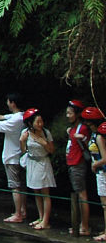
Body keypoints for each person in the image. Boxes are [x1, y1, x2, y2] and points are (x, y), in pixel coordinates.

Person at [0, 92, 28, 223]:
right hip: (20, 156)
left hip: (12, 156)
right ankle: (22, 210)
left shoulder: (16, 120)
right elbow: (0, 117)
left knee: (15, 186)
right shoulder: (21, 116)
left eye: (8, 101)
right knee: (21, 186)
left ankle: (18, 214)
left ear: (13, 103)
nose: (7, 103)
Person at [20, 107, 55, 230]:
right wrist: (22, 141)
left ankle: (46, 221)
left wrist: (43, 142)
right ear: (30, 123)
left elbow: (51, 150)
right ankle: (40, 217)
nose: (40, 124)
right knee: (36, 191)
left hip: (43, 162)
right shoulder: (25, 133)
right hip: (32, 162)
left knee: (45, 193)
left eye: (41, 121)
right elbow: (24, 150)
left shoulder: (46, 132)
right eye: (37, 122)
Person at [67, 100, 94, 236]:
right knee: (78, 194)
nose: (67, 115)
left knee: (82, 194)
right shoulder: (72, 129)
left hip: (78, 163)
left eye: (70, 113)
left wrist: (83, 138)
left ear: (77, 114)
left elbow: (91, 145)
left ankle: (84, 226)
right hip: (72, 163)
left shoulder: (82, 129)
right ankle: (79, 225)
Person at [91, 113, 106, 241]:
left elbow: (105, 158)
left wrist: (95, 164)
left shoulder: (100, 137)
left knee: (105, 204)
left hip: (103, 172)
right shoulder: (95, 136)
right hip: (100, 173)